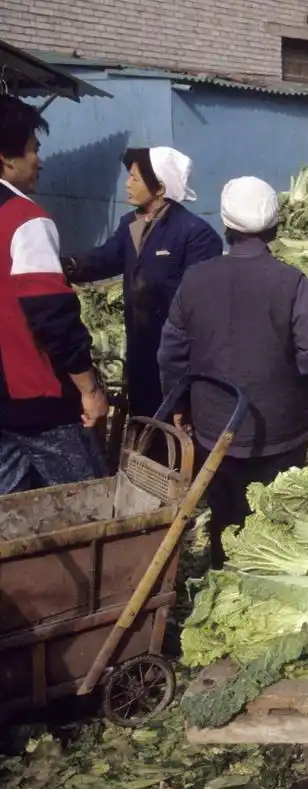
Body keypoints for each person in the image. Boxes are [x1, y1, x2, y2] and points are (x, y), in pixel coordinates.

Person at [157, 177, 308, 568]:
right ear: (273, 228)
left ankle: (223, 578)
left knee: (225, 518)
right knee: (279, 523)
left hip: (215, 430)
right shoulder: (291, 282)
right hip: (283, 433)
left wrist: (180, 404)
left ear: (226, 225)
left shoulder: (195, 279)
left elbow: (171, 355)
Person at [64, 147, 222, 419]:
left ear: (159, 188)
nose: (127, 184)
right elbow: (106, 258)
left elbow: (197, 302)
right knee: (143, 420)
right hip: (140, 348)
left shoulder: (195, 234)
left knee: (172, 424)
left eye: (135, 178)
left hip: (175, 355)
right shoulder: (131, 224)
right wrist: (67, 265)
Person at [0, 96, 108, 494]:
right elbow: (52, 316)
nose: (39, 162)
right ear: (6, 158)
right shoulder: (24, 220)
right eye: (33, 150)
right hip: (37, 404)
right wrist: (90, 390)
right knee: (88, 503)